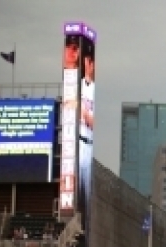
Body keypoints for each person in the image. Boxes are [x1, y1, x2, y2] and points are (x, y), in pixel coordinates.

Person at [78, 41, 95, 206]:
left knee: (87, 196)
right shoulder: (77, 86)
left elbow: (93, 122)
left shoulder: (95, 89)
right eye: (88, 61)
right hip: (78, 141)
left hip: (89, 144)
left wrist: (83, 112)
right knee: (76, 193)